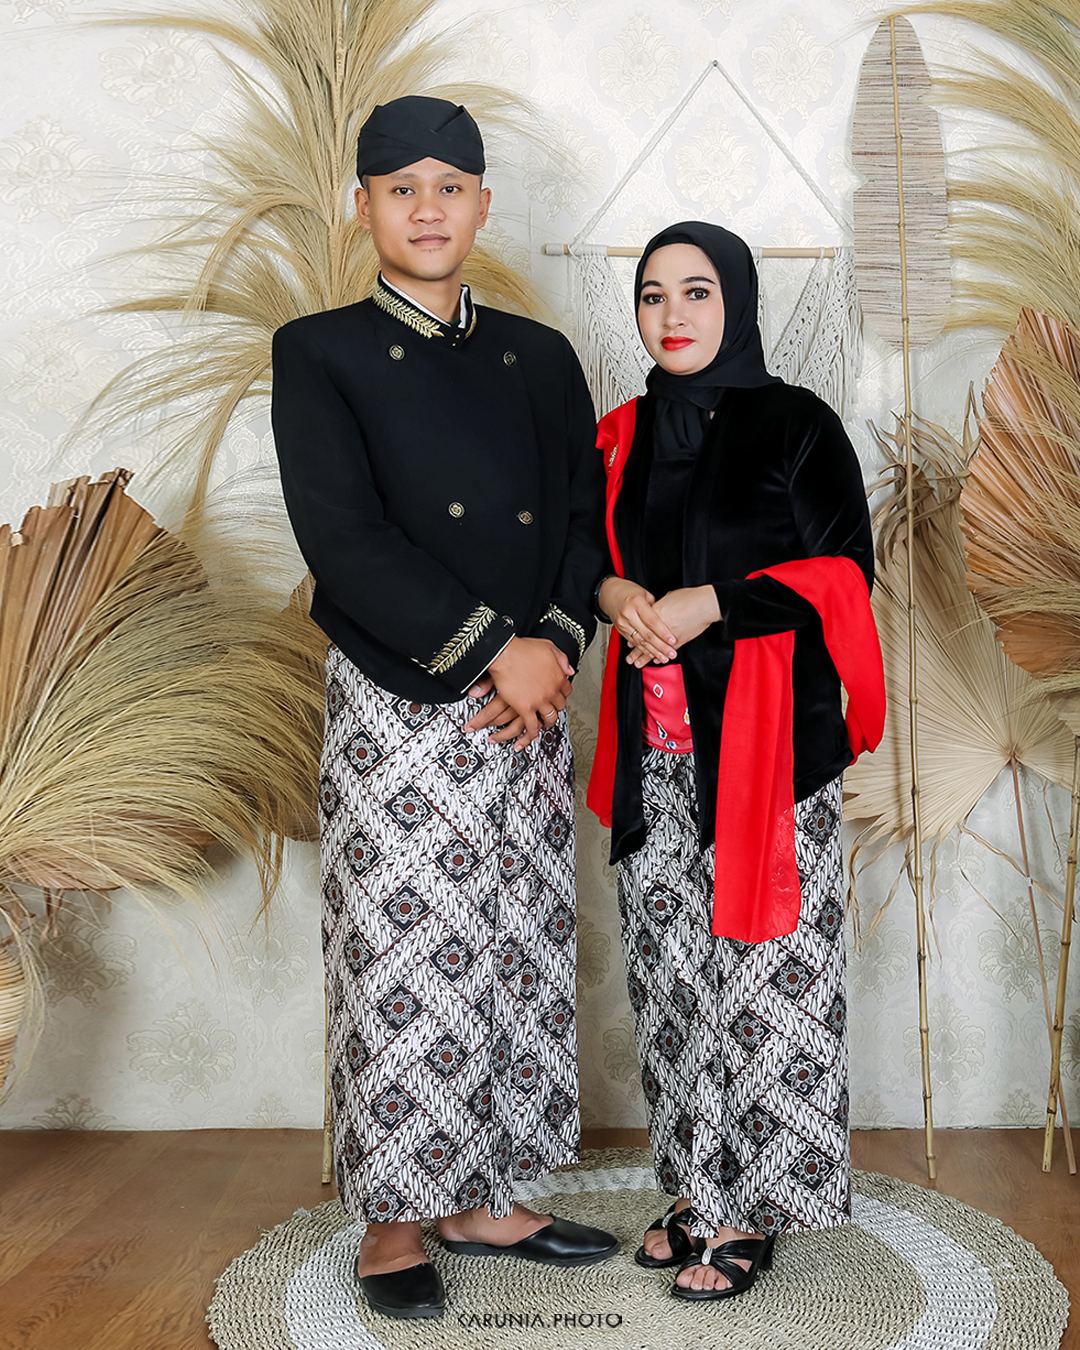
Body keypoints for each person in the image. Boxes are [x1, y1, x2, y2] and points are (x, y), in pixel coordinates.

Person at [271, 95, 615, 1322]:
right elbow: (343, 539)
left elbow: (582, 523)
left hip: (533, 693)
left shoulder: (542, 355)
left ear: (482, 203)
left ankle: (483, 1196)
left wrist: (553, 648)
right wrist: (489, 652)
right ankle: (393, 1221)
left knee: (513, 949)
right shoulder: (319, 351)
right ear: (360, 205)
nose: (428, 207)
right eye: (401, 187)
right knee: (401, 955)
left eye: (451, 185)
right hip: (402, 693)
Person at [587, 222, 884, 1302]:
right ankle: (692, 1187)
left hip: (767, 756)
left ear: (740, 302)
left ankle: (753, 1203)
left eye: (699, 291)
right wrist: (618, 598)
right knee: (670, 983)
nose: (673, 314)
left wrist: (717, 600)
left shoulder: (796, 424)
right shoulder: (615, 436)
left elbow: (848, 574)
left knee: (764, 984)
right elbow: (585, 563)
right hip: (657, 758)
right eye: (655, 294)